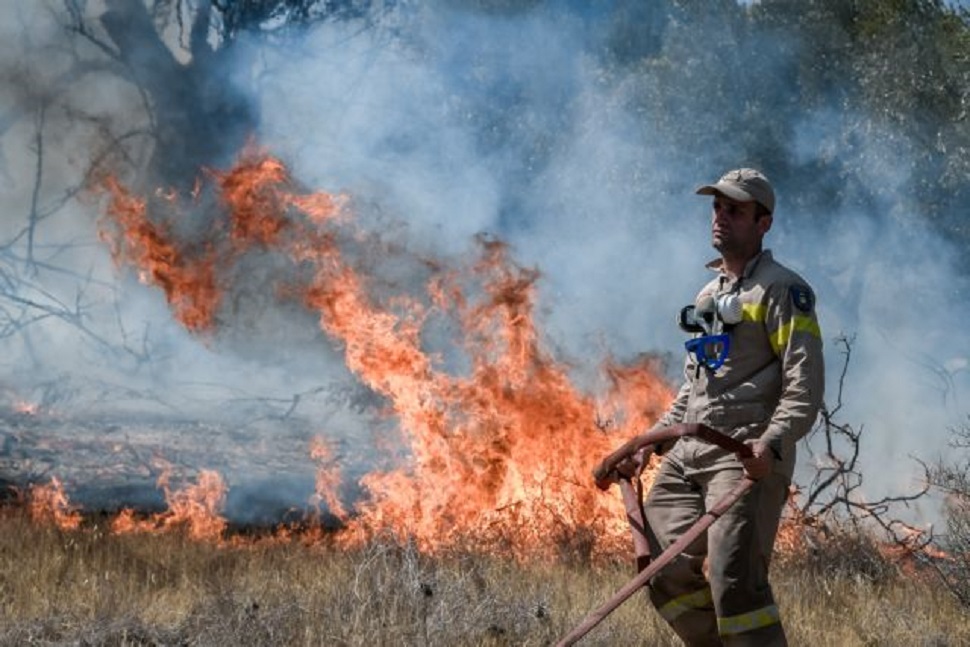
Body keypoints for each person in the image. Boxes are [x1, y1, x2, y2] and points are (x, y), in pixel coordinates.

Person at [595, 168, 824, 646]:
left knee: (734, 584)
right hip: (688, 456)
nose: (720, 217)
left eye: (735, 210)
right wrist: (650, 444)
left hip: (744, 459)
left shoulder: (783, 291)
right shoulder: (709, 295)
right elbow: (692, 392)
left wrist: (771, 443)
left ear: (764, 223)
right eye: (717, 208)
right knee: (661, 573)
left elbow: (804, 386)